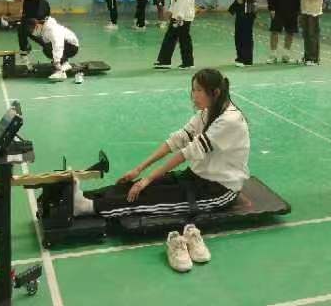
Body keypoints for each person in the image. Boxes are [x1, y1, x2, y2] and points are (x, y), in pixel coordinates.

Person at [71, 69, 248, 270]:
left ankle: (87, 207)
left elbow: (187, 153)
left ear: (215, 93)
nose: (194, 95)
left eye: (199, 90)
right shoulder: (208, 111)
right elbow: (178, 140)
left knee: (149, 198)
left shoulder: (229, 121)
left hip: (220, 191)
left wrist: (148, 178)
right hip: (196, 177)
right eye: (193, 90)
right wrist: (139, 170)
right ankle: (86, 197)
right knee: (139, 186)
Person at [154, 0, 196, 70]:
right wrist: (171, 10)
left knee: (184, 38)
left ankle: (188, 63)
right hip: (176, 13)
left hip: (184, 15)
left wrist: (180, 16)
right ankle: (164, 61)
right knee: (170, 37)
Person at [31, 2, 81, 82]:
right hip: (65, 44)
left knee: (48, 48)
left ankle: (62, 69)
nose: (33, 29)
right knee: (46, 48)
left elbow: (58, 45)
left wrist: (57, 62)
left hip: (72, 46)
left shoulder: (53, 30)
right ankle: (63, 63)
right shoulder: (44, 28)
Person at [232, 0, 259, 67]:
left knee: (246, 35)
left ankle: (247, 59)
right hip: (240, 9)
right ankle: (240, 57)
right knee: (238, 34)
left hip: (249, 10)